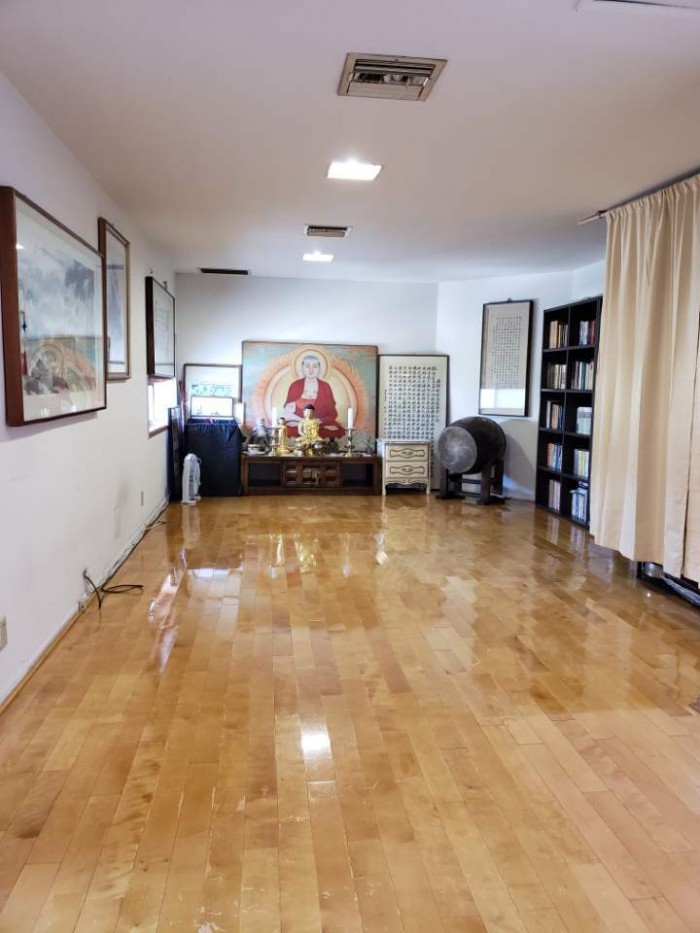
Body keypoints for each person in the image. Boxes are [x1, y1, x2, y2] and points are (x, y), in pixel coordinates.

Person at [283, 353, 345, 439]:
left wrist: (319, 421)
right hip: (298, 423)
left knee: (335, 430)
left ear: (319, 368)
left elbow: (332, 413)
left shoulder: (325, 386)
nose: (311, 370)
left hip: (320, 424)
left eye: (315, 367)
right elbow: (288, 411)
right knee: (286, 429)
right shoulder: (295, 385)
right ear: (302, 368)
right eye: (307, 366)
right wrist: (300, 421)